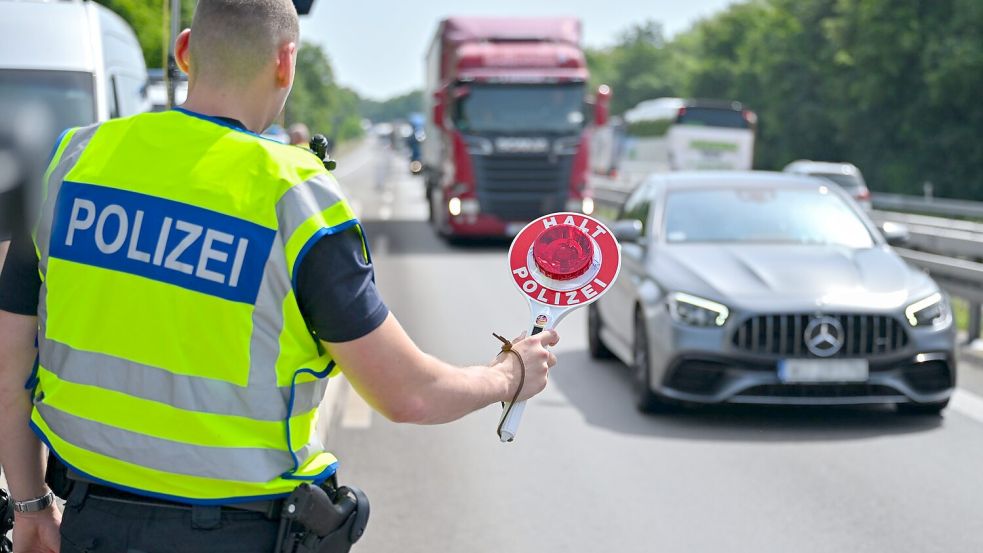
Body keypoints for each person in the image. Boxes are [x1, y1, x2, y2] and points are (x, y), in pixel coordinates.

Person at [0, 1, 558, 552]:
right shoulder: (297, 198)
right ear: (285, 63)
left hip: (91, 524)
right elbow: (409, 395)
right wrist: (509, 375)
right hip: (237, 533)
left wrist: (28, 506)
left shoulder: (72, 162)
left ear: (185, 50)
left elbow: (8, 362)